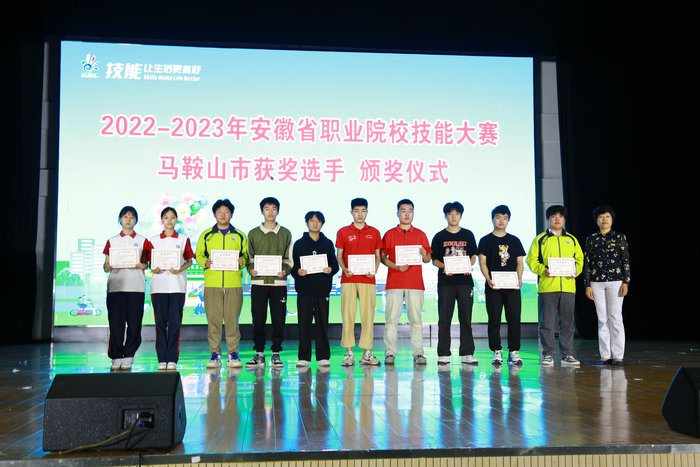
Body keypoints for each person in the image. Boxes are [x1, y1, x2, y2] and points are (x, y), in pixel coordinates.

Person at [526, 205, 583, 366]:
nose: (557, 219)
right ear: (548, 219)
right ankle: (548, 355)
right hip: (548, 287)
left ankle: (567, 355)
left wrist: (576, 271)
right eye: (553, 216)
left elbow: (580, 259)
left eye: (560, 216)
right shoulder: (540, 239)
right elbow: (531, 260)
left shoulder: (571, 239)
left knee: (567, 323)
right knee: (546, 323)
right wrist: (543, 270)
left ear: (564, 219)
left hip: (568, 287)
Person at [194, 199, 248, 369]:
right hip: (213, 284)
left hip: (233, 284)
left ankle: (233, 353)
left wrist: (242, 261)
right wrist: (205, 262)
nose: (223, 215)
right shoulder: (207, 235)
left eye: (226, 212)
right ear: (214, 214)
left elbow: (246, 255)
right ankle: (214, 354)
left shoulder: (239, 235)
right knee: (214, 321)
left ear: (231, 214)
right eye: (219, 212)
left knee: (232, 321)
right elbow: (198, 255)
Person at [381, 199, 432, 365]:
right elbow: (382, 257)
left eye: (410, 210)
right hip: (394, 282)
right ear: (398, 213)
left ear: (413, 213)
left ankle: (418, 353)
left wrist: (425, 254)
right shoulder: (389, 234)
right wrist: (395, 266)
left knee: (416, 320)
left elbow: (427, 259)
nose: (407, 214)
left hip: (415, 283)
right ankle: (390, 353)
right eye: (403, 211)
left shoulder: (420, 234)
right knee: (391, 320)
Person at [246, 197, 293, 369]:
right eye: (267, 209)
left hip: (278, 284)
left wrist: (285, 271)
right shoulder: (253, 233)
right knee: (258, 319)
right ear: (262, 211)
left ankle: (276, 353)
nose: (270, 212)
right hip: (259, 282)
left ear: (278, 211)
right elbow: (249, 257)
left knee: (278, 319)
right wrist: (251, 269)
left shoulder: (285, 233)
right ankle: (259, 353)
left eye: (274, 209)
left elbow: (289, 259)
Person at [430, 201, 479, 365]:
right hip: (446, 283)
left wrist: (468, 266)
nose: (453, 217)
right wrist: (445, 267)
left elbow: (473, 256)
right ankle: (443, 353)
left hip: (465, 282)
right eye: (450, 214)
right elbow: (434, 260)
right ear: (445, 216)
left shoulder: (468, 235)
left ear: (461, 216)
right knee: (444, 319)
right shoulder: (439, 236)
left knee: (466, 318)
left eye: (457, 214)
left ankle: (467, 353)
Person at [335, 198, 382, 366]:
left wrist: (374, 270)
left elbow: (377, 256)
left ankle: (367, 353)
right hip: (348, 278)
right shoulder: (343, 232)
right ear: (351, 212)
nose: (360, 214)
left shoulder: (374, 232)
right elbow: (340, 255)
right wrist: (344, 268)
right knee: (348, 314)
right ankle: (349, 352)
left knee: (368, 315)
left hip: (368, 279)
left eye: (363, 211)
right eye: (356, 211)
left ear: (367, 212)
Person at [478, 205, 526, 366]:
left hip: (512, 286)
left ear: (508, 220)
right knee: (494, 319)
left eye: (505, 218)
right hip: (493, 286)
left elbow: (520, 262)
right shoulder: (485, 240)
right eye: (498, 217)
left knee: (514, 319)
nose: (501, 221)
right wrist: (488, 279)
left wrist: (519, 278)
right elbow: (482, 263)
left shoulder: (514, 240)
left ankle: (514, 351)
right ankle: (496, 351)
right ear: (493, 219)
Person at [291, 211, 340, 368]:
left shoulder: (327, 243)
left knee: (322, 324)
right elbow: (293, 267)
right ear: (307, 223)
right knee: (303, 325)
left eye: (318, 221)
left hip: (322, 291)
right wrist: (297, 271)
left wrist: (330, 269)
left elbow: (335, 266)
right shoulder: (299, 244)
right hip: (304, 291)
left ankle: (323, 356)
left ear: (322, 223)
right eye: (311, 220)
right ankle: (303, 357)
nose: (315, 223)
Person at [103, 206, 149, 371]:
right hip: (116, 288)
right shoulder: (112, 241)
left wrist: (142, 265)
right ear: (120, 220)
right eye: (125, 216)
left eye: (132, 217)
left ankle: (129, 355)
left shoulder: (143, 241)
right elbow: (106, 265)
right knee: (116, 324)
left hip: (136, 288)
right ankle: (116, 355)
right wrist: (108, 266)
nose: (128, 220)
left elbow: (146, 263)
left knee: (135, 325)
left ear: (136, 220)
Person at [148, 207, 195, 370]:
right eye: (166, 217)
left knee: (175, 324)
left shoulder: (183, 239)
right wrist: (153, 269)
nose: (169, 220)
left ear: (176, 220)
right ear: (162, 220)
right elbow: (149, 261)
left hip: (177, 286)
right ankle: (162, 358)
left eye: (172, 217)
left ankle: (172, 358)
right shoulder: (154, 240)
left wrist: (180, 269)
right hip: (158, 287)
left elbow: (189, 261)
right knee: (160, 323)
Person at [584, 205, 630, 365]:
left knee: (615, 317)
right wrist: (587, 285)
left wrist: (626, 282)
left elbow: (625, 261)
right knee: (602, 318)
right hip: (596, 282)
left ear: (612, 219)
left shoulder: (619, 237)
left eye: (607, 216)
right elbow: (587, 263)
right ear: (596, 220)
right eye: (601, 217)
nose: (604, 219)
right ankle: (605, 355)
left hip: (616, 281)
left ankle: (618, 355)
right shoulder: (591, 239)